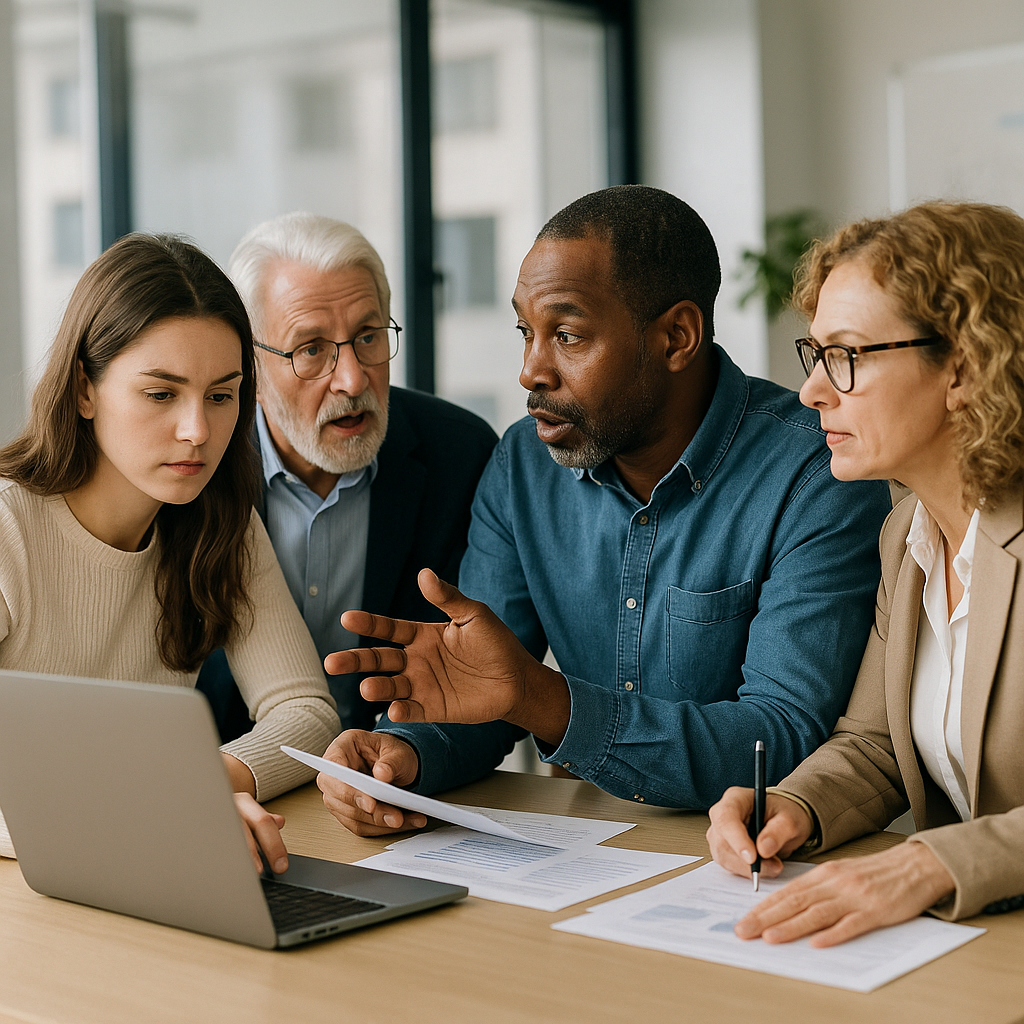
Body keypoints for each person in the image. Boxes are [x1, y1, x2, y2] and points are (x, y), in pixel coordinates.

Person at [316, 184, 892, 837]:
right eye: (525, 332)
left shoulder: (817, 472)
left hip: (759, 858)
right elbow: (489, 691)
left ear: (677, 336)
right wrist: (409, 753)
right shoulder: (523, 465)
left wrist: (545, 700)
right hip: (588, 853)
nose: (531, 369)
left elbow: (780, 741)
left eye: (566, 334)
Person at [706, 200, 1024, 945]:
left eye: (846, 355)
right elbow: (876, 747)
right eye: (814, 356)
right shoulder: (905, 536)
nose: (814, 390)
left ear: (966, 369)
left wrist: (932, 864)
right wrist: (794, 806)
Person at [0, 234, 340, 874]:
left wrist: (204, 786)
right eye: (161, 394)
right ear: (83, 390)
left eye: (221, 395)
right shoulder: (6, 531)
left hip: (133, 874)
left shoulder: (220, 523)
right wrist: (150, 808)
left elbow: (306, 715)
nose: (198, 431)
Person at [196, 213, 498, 737]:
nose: (353, 378)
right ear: (249, 366)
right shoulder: (197, 464)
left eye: (368, 336)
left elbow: (487, 677)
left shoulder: (461, 455)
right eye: (311, 349)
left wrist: (406, 756)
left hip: (397, 777)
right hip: (225, 777)